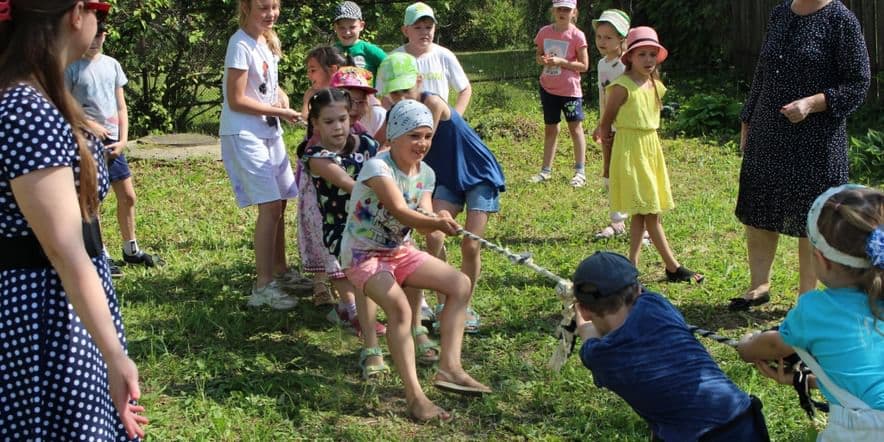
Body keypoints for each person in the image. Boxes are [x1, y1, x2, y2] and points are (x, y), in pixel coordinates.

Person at [0, 0, 147, 439]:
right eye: (98, 11)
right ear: (76, 13)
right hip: (43, 312)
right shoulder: (26, 108)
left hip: (61, 301)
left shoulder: (35, 94)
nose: (100, 22)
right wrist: (115, 356)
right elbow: (64, 249)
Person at [341, 99, 491, 422]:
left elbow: (421, 208)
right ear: (394, 135)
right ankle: (415, 398)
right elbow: (398, 209)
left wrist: (437, 215)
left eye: (427, 136)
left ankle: (450, 368)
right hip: (363, 254)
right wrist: (435, 223)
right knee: (401, 309)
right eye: (414, 136)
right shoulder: (377, 168)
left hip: (399, 251)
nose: (422, 143)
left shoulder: (426, 172)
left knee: (460, 284)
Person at [732, 0, 870, 311]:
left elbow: (858, 83)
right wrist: (748, 115)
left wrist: (812, 103)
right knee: (760, 204)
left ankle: (806, 297)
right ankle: (759, 285)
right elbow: (763, 70)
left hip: (816, 138)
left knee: (812, 214)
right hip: (769, 128)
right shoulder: (781, 12)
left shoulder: (840, 19)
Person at [736, 185, 884, 440]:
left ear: (821, 259)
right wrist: (810, 380)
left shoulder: (816, 309)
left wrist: (745, 345)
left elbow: (772, 346)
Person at [573, 252, 770, 441]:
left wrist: (585, 324)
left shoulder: (600, 356)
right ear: (638, 290)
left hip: (698, 436)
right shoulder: (656, 304)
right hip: (742, 417)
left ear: (584, 309)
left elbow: (589, 337)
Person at [377, 52, 507, 334]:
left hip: (476, 172)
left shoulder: (431, 103)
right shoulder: (395, 113)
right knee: (433, 235)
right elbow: (380, 140)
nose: (402, 99)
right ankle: (442, 304)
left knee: (470, 244)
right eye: (394, 94)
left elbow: (421, 145)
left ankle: (464, 306)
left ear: (420, 81)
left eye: (406, 90)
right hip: (446, 176)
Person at [598, 26, 703, 283]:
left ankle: (631, 267)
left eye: (652, 54)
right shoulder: (621, 86)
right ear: (630, 57)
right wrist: (605, 147)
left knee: (642, 213)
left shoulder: (656, 85)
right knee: (651, 212)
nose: (647, 60)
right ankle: (673, 267)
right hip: (631, 150)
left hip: (650, 149)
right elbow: (606, 121)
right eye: (641, 54)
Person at [220, 0, 302, 309]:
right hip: (245, 133)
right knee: (269, 206)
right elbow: (237, 99)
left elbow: (265, 87)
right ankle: (262, 286)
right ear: (246, 7)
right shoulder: (239, 44)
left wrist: (279, 97)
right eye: (263, 8)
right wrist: (280, 111)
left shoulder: (266, 41)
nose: (271, 14)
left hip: (269, 131)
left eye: (275, 7)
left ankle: (280, 270)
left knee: (280, 202)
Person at [65, 21, 165, 275]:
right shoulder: (71, 67)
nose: (95, 40)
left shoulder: (112, 65)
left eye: (100, 34)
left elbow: (121, 107)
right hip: (87, 143)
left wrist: (123, 140)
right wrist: (89, 127)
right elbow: (66, 107)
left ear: (105, 35)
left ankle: (131, 249)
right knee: (92, 202)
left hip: (114, 143)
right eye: (92, 34)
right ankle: (100, 254)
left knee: (128, 196)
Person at [301, 88, 387, 379]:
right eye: (328, 122)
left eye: (342, 119)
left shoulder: (366, 144)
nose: (337, 127)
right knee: (361, 274)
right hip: (341, 230)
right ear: (315, 124)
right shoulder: (315, 156)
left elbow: (386, 161)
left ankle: (406, 326)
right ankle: (364, 329)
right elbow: (353, 186)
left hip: (373, 223)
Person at [297, 46, 347, 307]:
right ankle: (319, 283)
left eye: (314, 70)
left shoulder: (345, 97)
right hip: (313, 168)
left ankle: (342, 280)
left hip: (340, 165)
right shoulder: (311, 95)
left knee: (338, 221)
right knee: (313, 222)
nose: (310, 75)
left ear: (333, 71)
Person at [529, 0, 589, 188]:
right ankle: (545, 171)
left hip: (570, 91)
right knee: (550, 129)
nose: (562, 12)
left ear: (574, 12)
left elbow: (585, 66)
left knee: (575, 129)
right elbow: (538, 56)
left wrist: (562, 62)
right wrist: (543, 60)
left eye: (567, 9)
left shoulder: (577, 35)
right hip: (548, 88)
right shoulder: (544, 32)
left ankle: (580, 171)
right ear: (553, 11)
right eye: (559, 9)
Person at [374, 2, 472, 115]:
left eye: (429, 27)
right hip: (405, 125)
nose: (424, 32)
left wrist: (455, 118)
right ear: (405, 30)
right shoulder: (392, 60)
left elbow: (465, 89)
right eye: (417, 27)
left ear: (435, 29)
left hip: (440, 123)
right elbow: (382, 96)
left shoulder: (444, 55)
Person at [590, 9, 630, 239]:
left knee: (627, 174)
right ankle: (617, 222)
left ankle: (640, 224)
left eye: (608, 37)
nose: (602, 42)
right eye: (599, 37)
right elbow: (602, 95)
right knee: (608, 173)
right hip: (608, 128)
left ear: (622, 40)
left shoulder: (627, 66)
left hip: (625, 129)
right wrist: (600, 122)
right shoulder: (602, 64)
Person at [331, 1, 387, 81]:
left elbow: (391, 66)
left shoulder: (369, 50)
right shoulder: (332, 51)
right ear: (335, 27)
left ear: (361, 26)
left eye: (352, 27)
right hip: (337, 93)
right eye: (341, 27)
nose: (347, 32)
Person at [329, 66, 386, 137]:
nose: (355, 107)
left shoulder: (360, 130)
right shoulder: (325, 129)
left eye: (360, 102)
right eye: (349, 101)